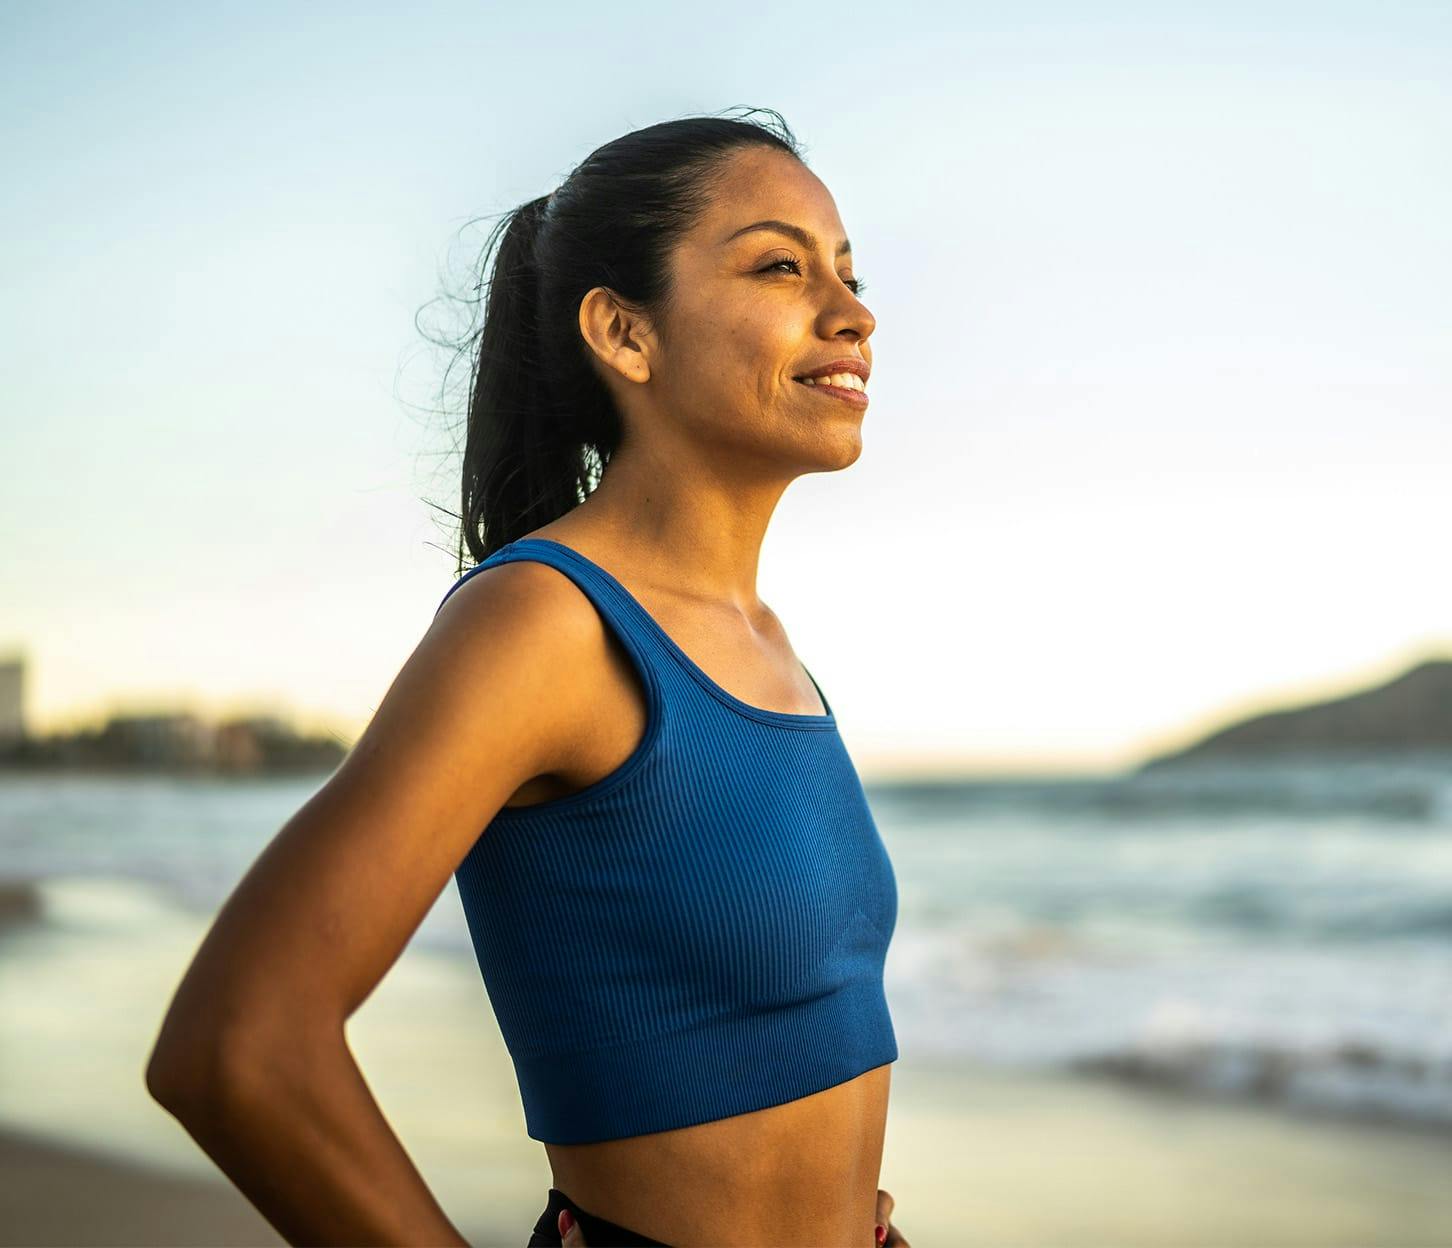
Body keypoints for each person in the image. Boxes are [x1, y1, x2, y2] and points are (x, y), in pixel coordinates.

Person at [144, 107, 909, 1248]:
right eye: (780, 267)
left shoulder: (766, 641)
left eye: (850, 273)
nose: (854, 313)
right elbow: (237, 1045)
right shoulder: (546, 623)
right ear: (625, 333)